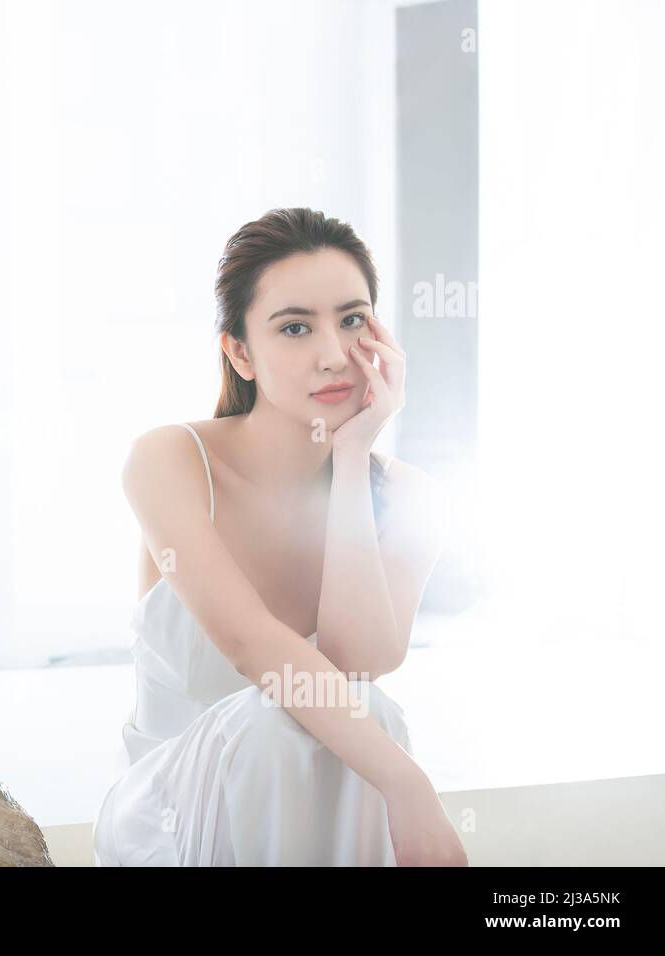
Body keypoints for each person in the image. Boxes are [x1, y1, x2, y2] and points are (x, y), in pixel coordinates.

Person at [92, 207, 467, 866]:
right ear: (240, 352)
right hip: (170, 811)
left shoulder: (411, 495)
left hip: (315, 799)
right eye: (295, 327)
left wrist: (351, 463)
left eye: (352, 319)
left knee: (366, 708)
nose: (333, 354)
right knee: (278, 721)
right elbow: (251, 647)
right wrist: (408, 783)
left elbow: (358, 661)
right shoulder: (170, 459)